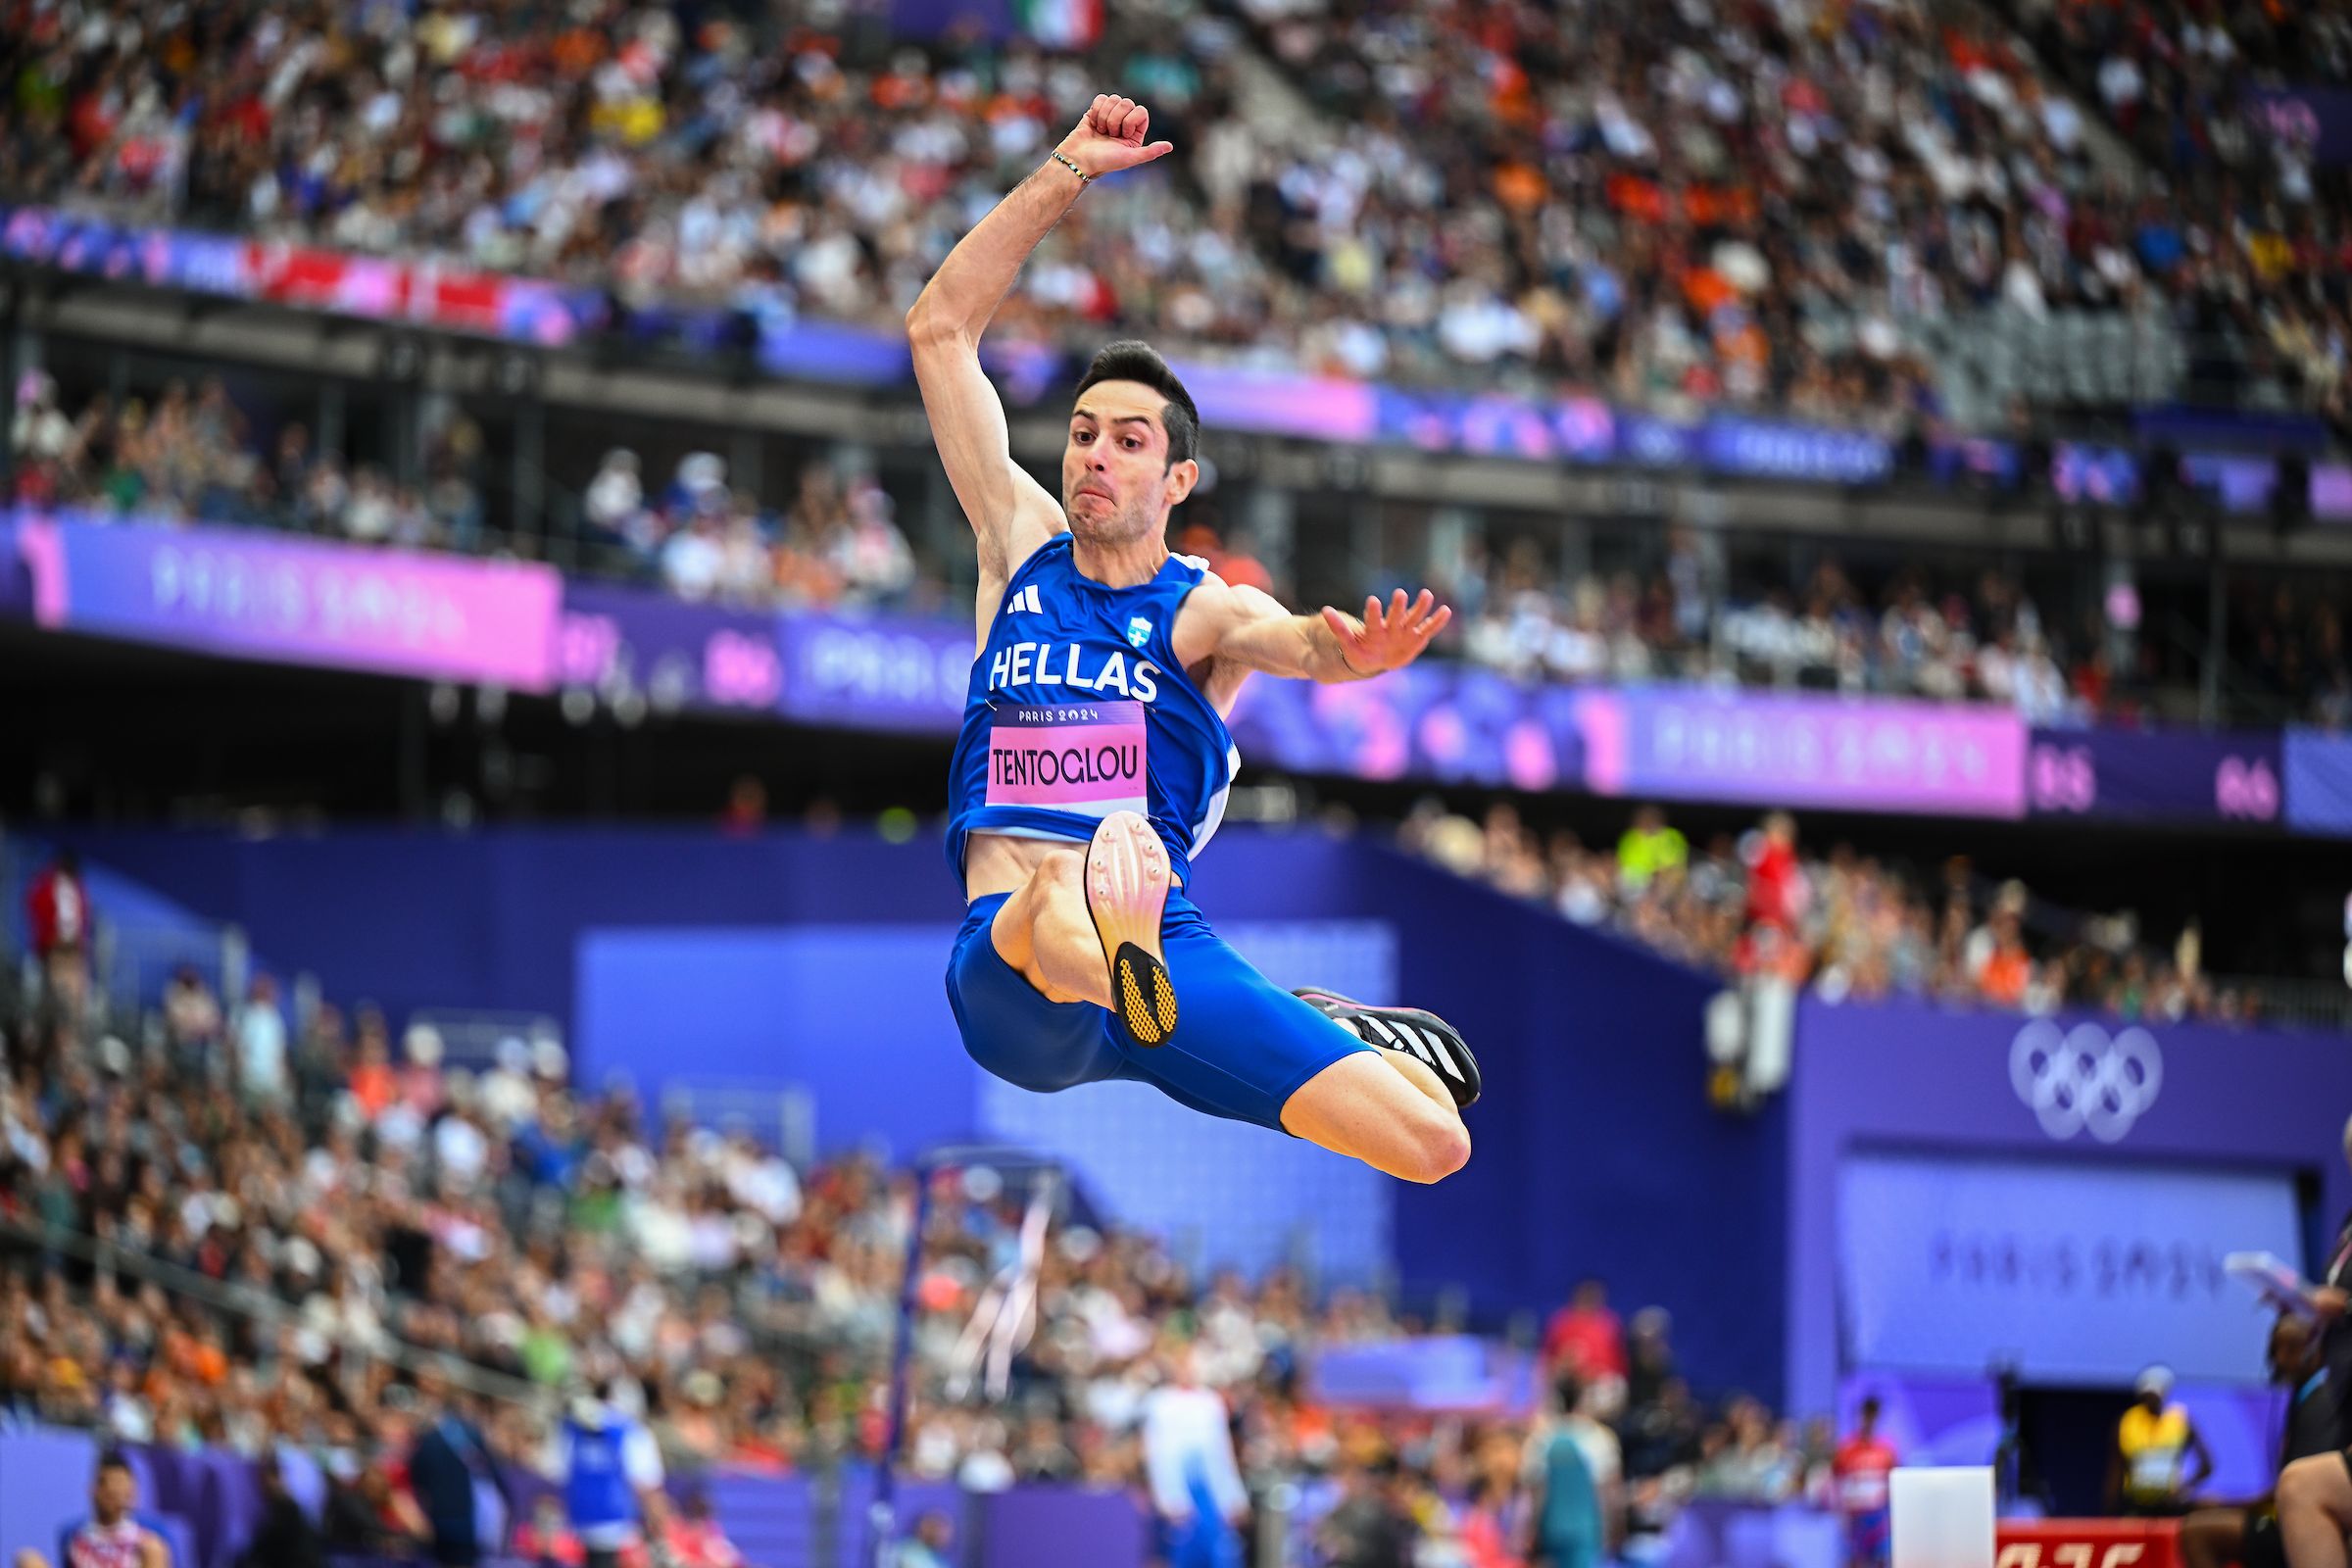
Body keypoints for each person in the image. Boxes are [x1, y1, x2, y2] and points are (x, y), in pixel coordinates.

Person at [914, 93, 1479, 1184]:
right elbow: (940, 331)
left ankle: (1319, 1021)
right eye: (1082, 435)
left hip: (1160, 954)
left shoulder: (1199, 609)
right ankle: (1118, 954)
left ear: (1176, 479)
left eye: (1127, 442)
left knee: (1434, 1142)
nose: (1093, 457)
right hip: (1018, 969)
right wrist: (1065, 173)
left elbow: (1295, 640)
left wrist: (1348, 654)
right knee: (1050, 898)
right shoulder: (1016, 546)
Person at [2182, 1317, 2328, 1568]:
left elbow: (2301, 1491)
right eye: (2275, 1351)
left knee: (2198, 1535)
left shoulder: (2321, 1406)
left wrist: (2225, 1503)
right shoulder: (2307, 1399)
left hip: (2312, 1526)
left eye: (2291, 1349)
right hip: (2298, 1518)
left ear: (2314, 1350)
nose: (2280, 1361)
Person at [1141, 1345, 1247, 1568]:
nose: (1186, 1371)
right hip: (1178, 1490)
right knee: (1180, 1550)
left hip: (1209, 1491)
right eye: (1181, 1365)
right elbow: (1156, 1453)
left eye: (1190, 1365)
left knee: (1220, 1551)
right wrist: (1166, 1496)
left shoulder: (1210, 1402)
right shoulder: (1160, 1402)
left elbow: (1221, 1451)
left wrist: (1233, 1497)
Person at [549, 1386, 664, 1568]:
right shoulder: (631, 1431)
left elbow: (553, 1475)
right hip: (612, 1525)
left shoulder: (568, 1427)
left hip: (579, 1523)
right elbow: (646, 1483)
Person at [2110, 1365, 2213, 1516]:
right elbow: (2116, 1469)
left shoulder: (2180, 1420)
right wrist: (2110, 1510)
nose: (2150, 1400)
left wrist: (2184, 1488)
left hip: (2170, 1505)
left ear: (2164, 1393)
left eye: (2155, 1395)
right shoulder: (2127, 1421)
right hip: (2136, 1505)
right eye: (2146, 1395)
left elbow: (2207, 1465)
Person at [43, 1451, 170, 1568]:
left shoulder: (146, 1539)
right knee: (30, 1560)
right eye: (103, 1483)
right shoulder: (74, 1536)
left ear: (131, 1493)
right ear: (92, 1489)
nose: (111, 1490)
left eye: (119, 1484)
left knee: (154, 1550)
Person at [1530, 1374, 1604, 1568]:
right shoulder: (1598, 1438)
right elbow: (1606, 1492)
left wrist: (1532, 1529)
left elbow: (1536, 1492)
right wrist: (1612, 1531)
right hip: (1586, 1532)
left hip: (1552, 1530)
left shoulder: (1543, 1438)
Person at [1831, 1396, 1899, 1568]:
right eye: (1865, 1415)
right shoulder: (1846, 1449)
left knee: (1882, 1560)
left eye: (1872, 1415)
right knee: (1854, 1561)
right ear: (1859, 1416)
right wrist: (1840, 1511)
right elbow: (1835, 1481)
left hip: (1878, 1517)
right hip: (1855, 1518)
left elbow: (1894, 1482)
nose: (1868, 1420)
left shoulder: (1886, 1449)